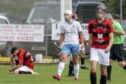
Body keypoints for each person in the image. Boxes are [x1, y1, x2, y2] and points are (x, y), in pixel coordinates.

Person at [52, 10, 84, 80]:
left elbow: (81, 33)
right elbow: (62, 35)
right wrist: (60, 44)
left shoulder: (76, 23)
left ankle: (76, 76)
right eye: (65, 15)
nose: (65, 16)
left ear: (71, 15)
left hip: (75, 44)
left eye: (67, 14)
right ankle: (58, 75)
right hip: (66, 45)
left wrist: (81, 43)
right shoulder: (63, 25)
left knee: (75, 61)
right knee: (62, 58)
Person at [88, 8, 114, 84]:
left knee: (103, 71)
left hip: (105, 49)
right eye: (97, 12)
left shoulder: (108, 24)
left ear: (104, 14)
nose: (99, 14)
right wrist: (90, 47)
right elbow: (90, 37)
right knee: (93, 69)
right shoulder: (91, 23)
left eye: (100, 13)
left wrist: (109, 47)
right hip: (94, 48)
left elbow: (111, 38)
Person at [105, 14, 126, 81]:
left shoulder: (116, 24)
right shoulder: (108, 25)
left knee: (121, 63)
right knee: (108, 61)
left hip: (118, 45)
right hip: (111, 45)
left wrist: (113, 31)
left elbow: (123, 33)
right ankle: (108, 78)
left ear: (110, 19)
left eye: (107, 21)